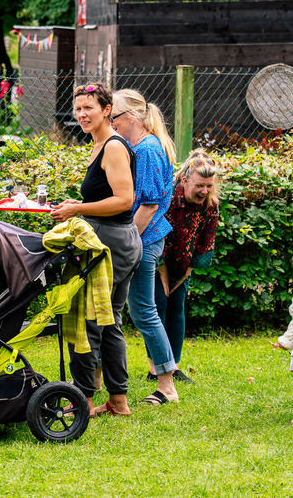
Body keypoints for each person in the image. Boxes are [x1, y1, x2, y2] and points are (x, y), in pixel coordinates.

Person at [49, 82, 141, 418]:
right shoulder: (99, 144)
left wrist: (77, 210)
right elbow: (107, 198)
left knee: (87, 320)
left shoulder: (113, 147)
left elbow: (124, 200)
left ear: (106, 110)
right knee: (110, 322)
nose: (82, 114)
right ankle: (118, 402)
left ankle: (83, 401)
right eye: (78, 109)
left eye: (89, 107)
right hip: (119, 239)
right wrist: (81, 204)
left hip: (112, 243)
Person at [112, 89, 179, 406]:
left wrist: (128, 243)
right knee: (138, 312)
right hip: (141, 239)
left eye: (113, 118)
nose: (111, 125)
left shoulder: (149, 149)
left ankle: (167, 387)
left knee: (144, 313)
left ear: (132, 117)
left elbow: (149, 205)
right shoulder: (138, 146)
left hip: (144, 240)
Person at [156, 150, 219, 383]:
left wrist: (186, 272)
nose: (205, 191)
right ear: (185, 180)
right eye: (200, 185)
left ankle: (174, 367)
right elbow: (156, 232)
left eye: (209, 186)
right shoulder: (168, 198)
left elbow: (206, 241)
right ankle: (156, 368)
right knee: (159, 305)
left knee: (177, 307)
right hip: (156, 258)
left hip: (184, 263)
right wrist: (162, 273)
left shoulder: (210, 206)